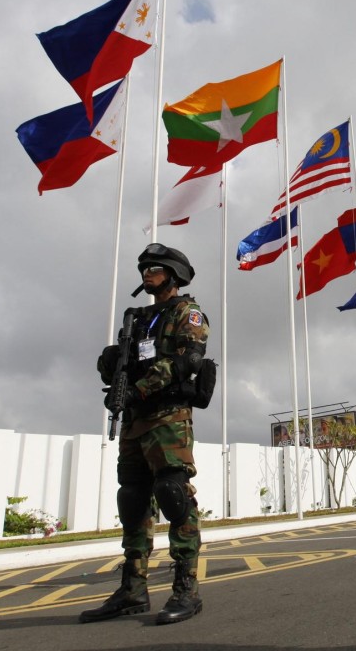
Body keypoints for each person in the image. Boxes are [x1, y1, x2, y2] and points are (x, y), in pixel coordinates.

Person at [80, 243, 209, 626]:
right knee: (133, 499)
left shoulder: (188, 312)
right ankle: (132, 589)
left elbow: (187, 359)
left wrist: (141, 387)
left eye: (155, 268)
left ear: (173, 273)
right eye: (144, 269)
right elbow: (124, 362)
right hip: (136, 419)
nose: (147, 274)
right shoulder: (136, 318)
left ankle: (186, 588)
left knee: (173, 493)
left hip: (168, 417)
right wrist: (112, 369)